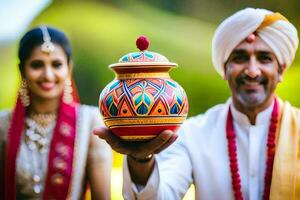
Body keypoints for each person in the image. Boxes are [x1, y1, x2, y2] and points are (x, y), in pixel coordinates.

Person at [94, 7, 300, 200]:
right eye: (240, 58)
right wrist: (141, 159)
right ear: (224, 68)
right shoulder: (192, 133)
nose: (252, 71)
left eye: (264, 58)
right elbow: (161, 195)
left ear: (281, 70)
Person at [0, 25, 112, 199]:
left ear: (69, 68)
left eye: (57, 64)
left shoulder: (90, 121)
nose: (48, 75)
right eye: (37, 65)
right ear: (22, 70)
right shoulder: (3, 124)